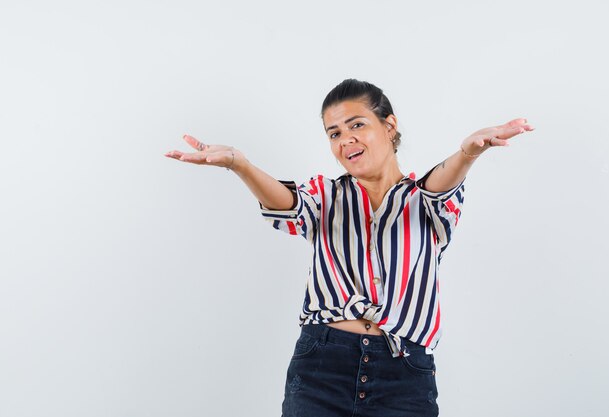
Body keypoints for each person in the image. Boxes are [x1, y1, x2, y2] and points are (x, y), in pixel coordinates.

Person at [164, 78, 534, 417]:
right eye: (334, 133)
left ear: (389, 126)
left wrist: (468, 154)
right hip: (321, 367)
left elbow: (439, 185)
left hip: (404, 375)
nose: (346, 140)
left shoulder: (427, 201)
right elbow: (285, 203)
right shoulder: (325, 195)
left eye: (357, 124)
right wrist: (238, 164)